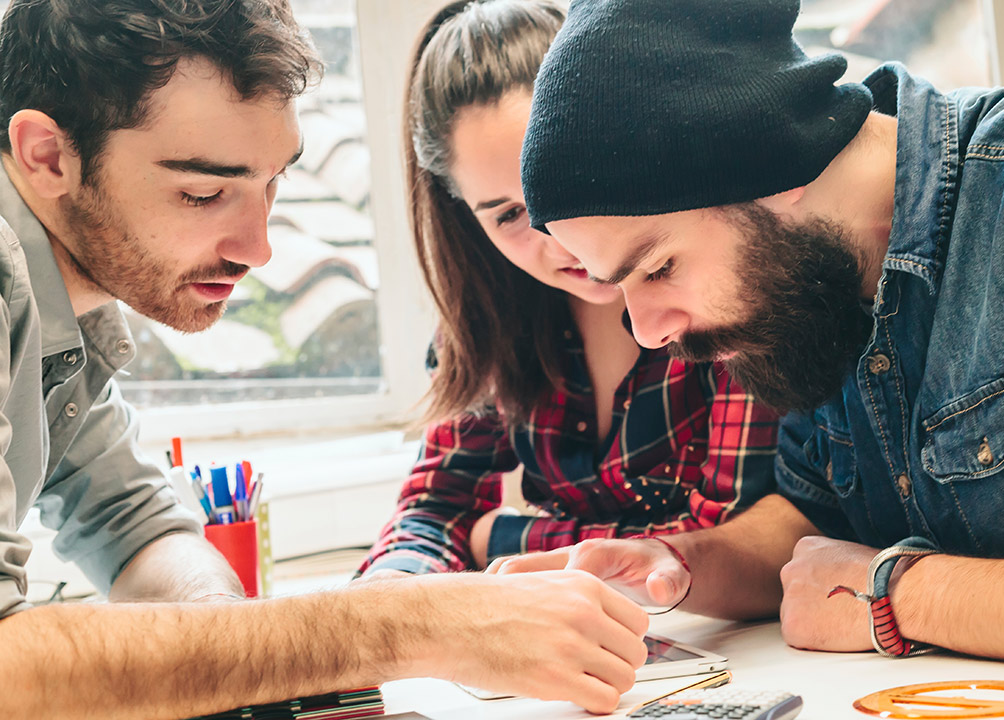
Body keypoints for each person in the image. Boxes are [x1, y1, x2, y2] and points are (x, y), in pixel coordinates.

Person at [495, 0, 1004, 677]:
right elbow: (812, 527)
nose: (648, 331)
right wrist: (679, 566)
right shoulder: (811, 284)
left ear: (775, 167)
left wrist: (897, 596)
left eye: (659, 268)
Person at [0, 2, 646, 717]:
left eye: (271, 184)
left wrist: (227, 657)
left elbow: (130, 523)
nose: (259, 248)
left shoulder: (70, 314)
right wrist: (409, 625)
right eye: (204, 193)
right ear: (47, 156)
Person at [355, 0, 778, 581]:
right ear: (465, 223)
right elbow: (432, 512)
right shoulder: (490, 319)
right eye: (507, 215)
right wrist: (388, 596)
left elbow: (722, 536)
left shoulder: (722, 289)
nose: (558, 241)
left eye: (559, 185)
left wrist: (502, 536)